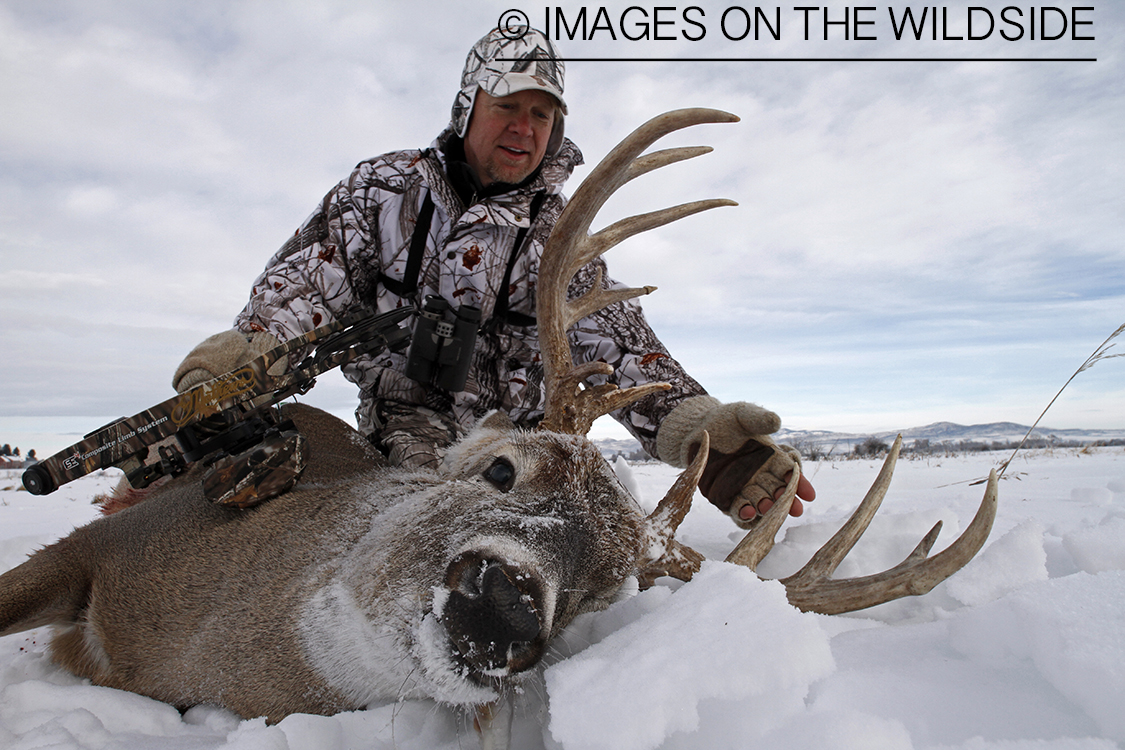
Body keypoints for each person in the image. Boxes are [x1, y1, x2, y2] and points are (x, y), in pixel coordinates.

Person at [173, 27, 814, 527]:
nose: (524, 127)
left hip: (528, 440)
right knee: (413, 526)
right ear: (466, 107)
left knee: (594, 531)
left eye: (542, 116)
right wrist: (247, 353)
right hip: (407, 433)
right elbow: (310, 285)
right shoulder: (381, 193)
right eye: (508, 105)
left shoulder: (560, 237)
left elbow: (610, 341)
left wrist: (702, 432)